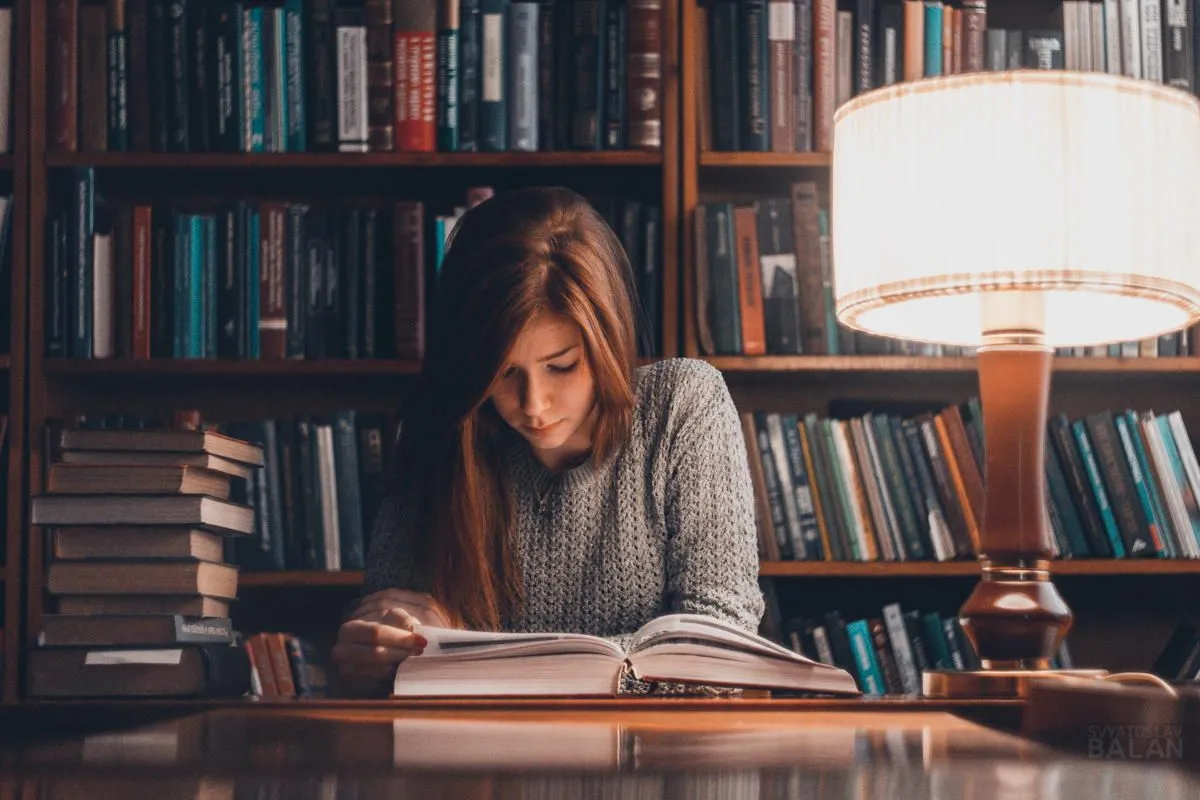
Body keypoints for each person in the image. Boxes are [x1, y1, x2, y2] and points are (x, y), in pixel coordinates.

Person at [332, 186, 764, 696]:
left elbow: (717, 655)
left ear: (608, 340)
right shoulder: (441, 433)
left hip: (651, 763)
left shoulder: (681, 405)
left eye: (561, 366)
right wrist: (371, 656)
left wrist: (476, 660)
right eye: (503, 373)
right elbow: (389, 652)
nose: (533, 403)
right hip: (478, 770)